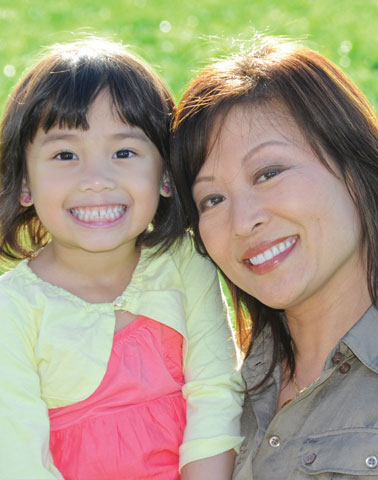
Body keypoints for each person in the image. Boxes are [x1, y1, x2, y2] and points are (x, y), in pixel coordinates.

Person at [0, 38, 244, 480]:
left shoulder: (185, 263)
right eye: (65, 155)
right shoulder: (12, 309)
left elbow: (215, 393)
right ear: (23, 184)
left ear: (166, 175)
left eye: (124, 152)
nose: (97, 180)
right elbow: (17, 458)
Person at [171, 36, 378, 479]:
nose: (243, 222)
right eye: (212, 199)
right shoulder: (213, 386)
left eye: (269, 173)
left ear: (356, 165)